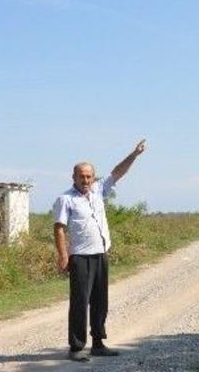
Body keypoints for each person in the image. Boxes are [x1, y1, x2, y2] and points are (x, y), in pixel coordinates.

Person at [53, 139, 146, 362]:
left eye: (89, 176)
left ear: (93, 177)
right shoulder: (66, 199)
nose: (86, 180)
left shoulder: (98, 191)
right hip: (80, 258)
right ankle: (76, 347)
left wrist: (134, 154)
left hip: (100, 254)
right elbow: (59, 229)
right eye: (81, 176)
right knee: (79, 303)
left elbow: (117, 172)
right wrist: (64, 256)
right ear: (73, 177)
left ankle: (97, 343)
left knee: (100, 301)